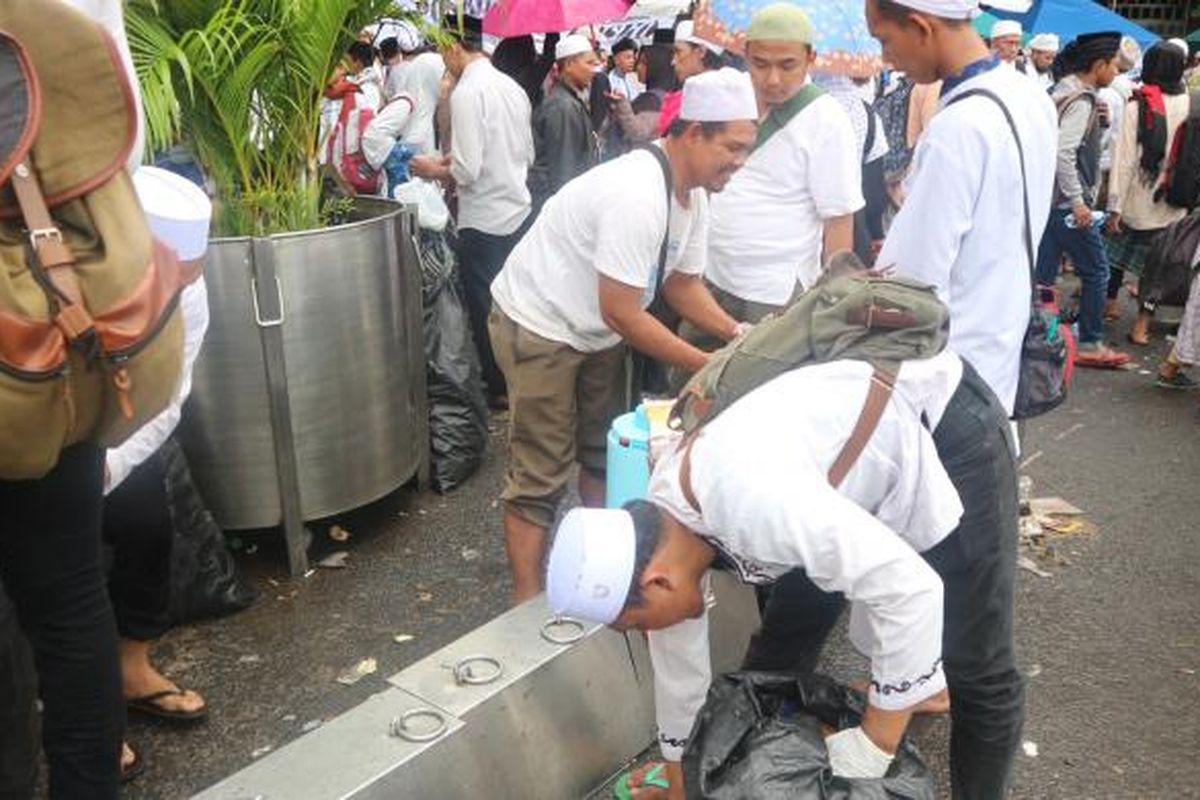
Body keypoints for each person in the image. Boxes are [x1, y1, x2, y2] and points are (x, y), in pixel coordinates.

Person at [547, 349, 1023, 799]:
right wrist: (682, 785)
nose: (647, 638)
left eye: (635, 626)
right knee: (775, 657)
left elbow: (911, 591)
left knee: (977, 665)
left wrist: (872, 747)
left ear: (657, 583)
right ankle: (890, 700)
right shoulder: (660, 529)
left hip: (942, 424)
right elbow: (679, 680)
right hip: (832, 467)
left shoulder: (751, 499)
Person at [488, 68, 759, 601]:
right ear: (693, 132)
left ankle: (602, 570)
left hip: (596, 328)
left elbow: (683, 285)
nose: (740, 163)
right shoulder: (637, 191)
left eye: (747, 149)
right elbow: (623, 314)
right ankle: (524, 603)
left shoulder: (694, 195)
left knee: (603, 453)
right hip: (541, 322)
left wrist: (736, 333)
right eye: (733, 147)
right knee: (541, 472)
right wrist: (707, 365)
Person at [871, 0, 1057, 418]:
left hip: (947, 372)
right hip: (1001, 346)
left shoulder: (958, 126)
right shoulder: (1029, 95)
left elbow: (910, 281)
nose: (887, 59)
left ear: (921, 26)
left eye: (885, 39)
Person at [108, 166, 214, 780]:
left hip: (124, 435)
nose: (181, 291)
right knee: (61, 579)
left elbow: (172, 394)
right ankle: (83, 712)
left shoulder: (189, 291)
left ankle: (130, 667)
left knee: (147, 528)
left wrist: (113, 464)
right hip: (44, 431)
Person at [695, 2, 862, 353]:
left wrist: (832, 301)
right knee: (688, 385)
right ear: (745, 53)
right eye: (760, 64)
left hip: (774, 293)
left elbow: (838, 219)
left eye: (788, 65)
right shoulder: (729, 96)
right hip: (708, 276)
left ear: (810, 57)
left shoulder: (827, 118)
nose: (773, 79)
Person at [411, 14, 535, 410]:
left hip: (483, 218)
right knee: (517, 301)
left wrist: (433, 168)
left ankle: (498, 386)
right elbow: (527, 154)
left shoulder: (467, 92)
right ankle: (522, 375)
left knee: (486, 306)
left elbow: (466, 170)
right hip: (518, 206)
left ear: (453, 46)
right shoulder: (510, 86)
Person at [1035, 32, 1131, 368]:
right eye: (1115, 65)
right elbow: (1064, 153)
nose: (1117, 72)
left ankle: (1037, 333)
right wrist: (1078, 201)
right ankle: (1089, 341)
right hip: (1066, 204)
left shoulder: (1061, 90)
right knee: (1097, 272)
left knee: (1043, 274)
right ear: (1098, 64)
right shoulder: (1080, 99)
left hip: (1047, 200)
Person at [1106, 42, 1192, 346]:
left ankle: (1110, 305)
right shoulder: (1192, 104)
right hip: (1175, 200)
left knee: (1115, 256)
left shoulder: (1138, 104)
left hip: (1138, 198)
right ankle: (1142, 326)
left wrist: (1114, 204)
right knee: (1158, 266)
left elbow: (1126, 158)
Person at [528, 35, 601, 211]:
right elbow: (564, 173)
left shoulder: (568, 100)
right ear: (568, 65)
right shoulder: (563, 106)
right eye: (589, 63)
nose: (594, 70)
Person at [658, 20, 725, 135]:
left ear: (701, 52)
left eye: (678, 52)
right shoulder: (690, 94)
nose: (673, 62)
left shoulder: (717, 99)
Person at [387, 29, 445, 156]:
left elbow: (391, 96)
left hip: (406, 131)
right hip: (426, 136)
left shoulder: (405, 67)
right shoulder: (435, 62)